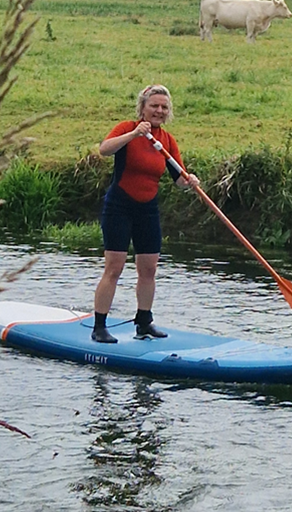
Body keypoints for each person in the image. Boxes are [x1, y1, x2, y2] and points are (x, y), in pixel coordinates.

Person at [91, 84, 199, 344]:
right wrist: (134, 134)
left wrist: (189, 181)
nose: (159, 111)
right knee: (114, 267)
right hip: (119, 206)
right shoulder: (127, 128)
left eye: (164, 107)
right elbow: (104, 149)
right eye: (154, 106)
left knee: (149, 269)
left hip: (147, 209)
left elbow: (178, 178)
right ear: (143, 108)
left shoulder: (167, 141)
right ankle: (99, 326)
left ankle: (144, 322)